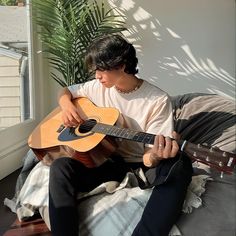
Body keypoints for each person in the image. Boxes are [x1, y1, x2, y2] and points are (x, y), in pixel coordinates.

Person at [49, 34, 193, 236]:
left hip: (139, 166)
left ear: (123, 65)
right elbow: (65, 91)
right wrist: (66, 107)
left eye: (101, 69)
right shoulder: (96, 87)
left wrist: (156, 156)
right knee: (60, 166)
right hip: (105, 162)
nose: (97, 75)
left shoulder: (157, 99)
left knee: (180, 163)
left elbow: (149, 158)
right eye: (95, 69)